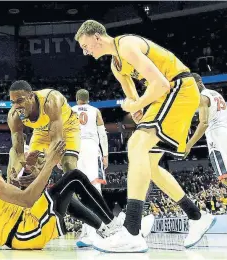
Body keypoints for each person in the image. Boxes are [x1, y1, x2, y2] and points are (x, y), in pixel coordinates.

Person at [75, 20, 215, 252]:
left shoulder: (127, 45)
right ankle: (196, 216)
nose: (84, 50)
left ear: (96, 37)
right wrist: (137, 109)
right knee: (149, 163)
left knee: (136, 145)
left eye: (85, 45)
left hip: (179, 87)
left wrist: (137, 104)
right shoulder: (116, 65)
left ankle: (132, 231)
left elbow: (160, 84)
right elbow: (136, 104)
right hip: (165, 96)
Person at [0, 134, 146, 249]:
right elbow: (27, 200)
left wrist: (30, 170)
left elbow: (15, 198)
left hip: (16, 234)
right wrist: (50, 162)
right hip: (24, 232)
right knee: (73, 177)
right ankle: (114, 226)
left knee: (62, 195)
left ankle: (106, 231)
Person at [7, 81, 126, 241]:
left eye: (20, 100)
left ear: (31, 96)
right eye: (13, 102)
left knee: (70, 170)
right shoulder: (14, 116)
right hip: (41, 132)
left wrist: (44, 166)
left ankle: (104, 225)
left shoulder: (51, 99)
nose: (16, 106)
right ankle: (98, 226)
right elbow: (17, 150)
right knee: (32, 179)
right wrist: (16, 173)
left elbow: (57, 142)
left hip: (66, 127)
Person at [71, 89, 109, 247]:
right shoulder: (96, 111)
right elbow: (103, 134)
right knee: (95, 188)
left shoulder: (71, 111)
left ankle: (87, 232)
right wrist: (105, 154)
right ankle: (97, 231)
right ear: (88, 99)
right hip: (92, 148)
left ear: (76, 98)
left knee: (80, 189)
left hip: (76, 148)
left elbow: (65, 133)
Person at [186, 74, 227, 188]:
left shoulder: (202, 97)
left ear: (198, 83)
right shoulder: (215, 93)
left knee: (224, 177)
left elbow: (204, 123)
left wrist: (189, 145)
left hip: (216, 136)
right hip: (224, 130)